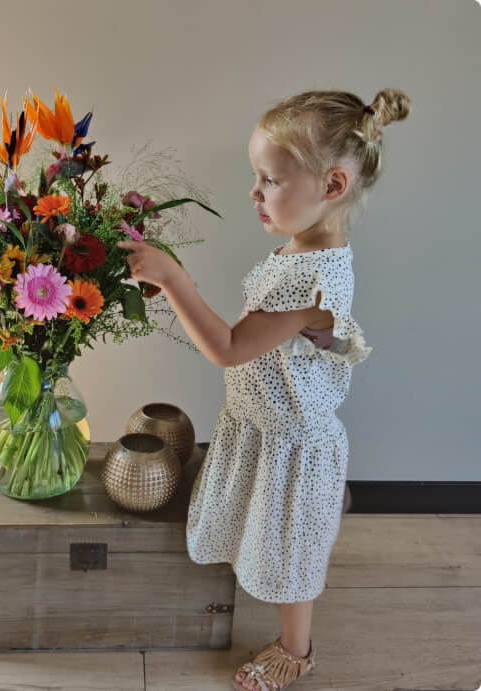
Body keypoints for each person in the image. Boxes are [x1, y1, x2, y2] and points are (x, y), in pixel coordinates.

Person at [117, 87, 411, 690]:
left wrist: (174, 279)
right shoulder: (313, 249)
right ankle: (290, 549)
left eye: (269, 179)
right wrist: (181, 285)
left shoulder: (309, 275)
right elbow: (259, 334)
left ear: (331, 187)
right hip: (264, 425)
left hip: (288, 444)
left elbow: (228, 347)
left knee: (288, 554)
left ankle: (295, 648)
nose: (255, 192)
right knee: (266, 530)